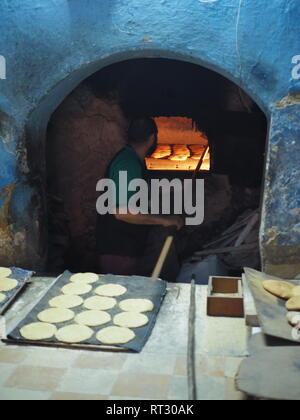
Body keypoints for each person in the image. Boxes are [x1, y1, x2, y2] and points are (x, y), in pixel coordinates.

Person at [96, 118, 184, 281]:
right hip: (118, 249)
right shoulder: (127, 164)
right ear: (152, 138)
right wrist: (164, 220)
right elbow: (123, 212)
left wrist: (171, 188)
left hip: (127, 245)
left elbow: (137, 190)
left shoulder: (132, 160)